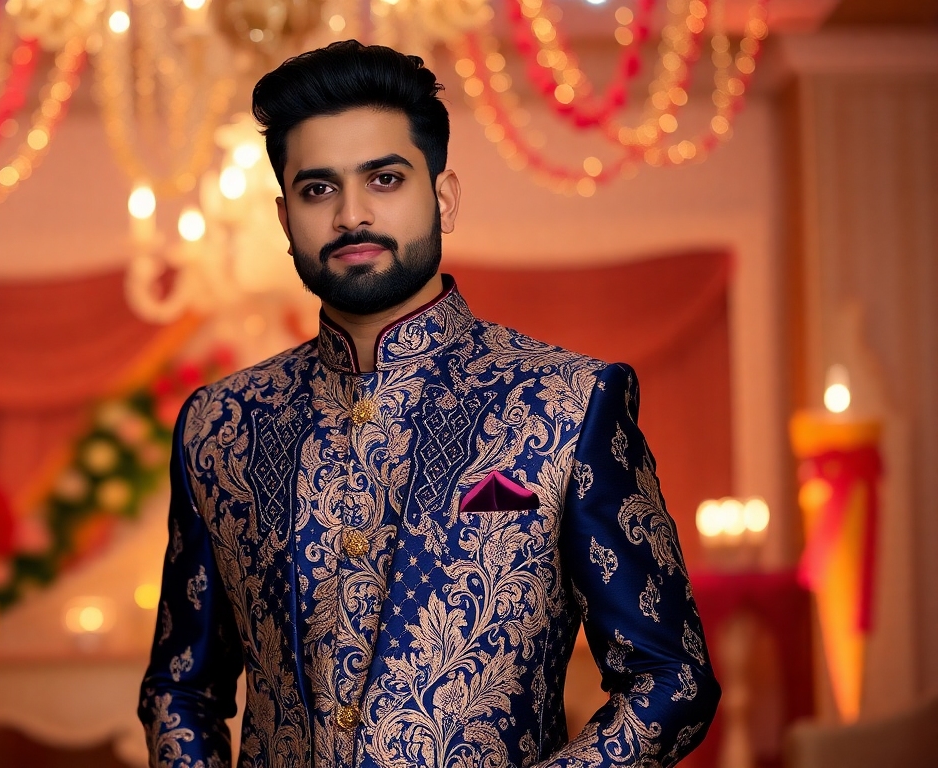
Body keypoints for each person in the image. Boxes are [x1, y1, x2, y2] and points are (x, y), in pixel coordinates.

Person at [138, 40, 719, 768]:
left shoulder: (566, 404)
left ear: (442, 198)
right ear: (285, 218)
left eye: (384, 178)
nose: (352, 215)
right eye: (318, 189)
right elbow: (180, 689)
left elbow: (673, 678)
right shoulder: (222, 426)